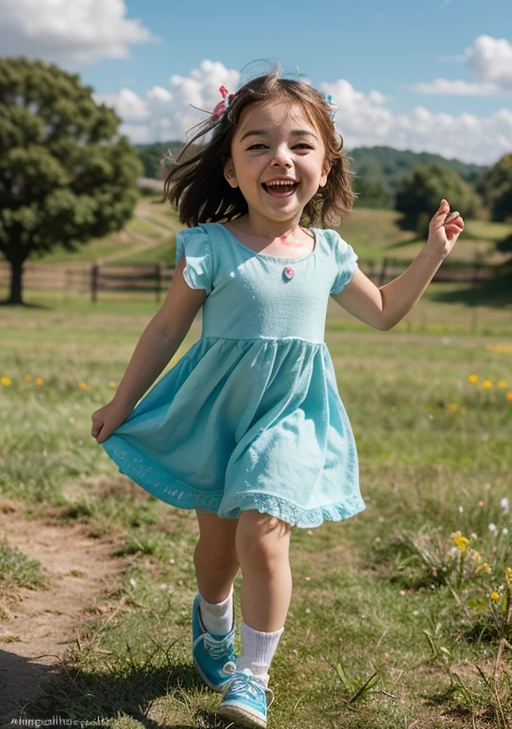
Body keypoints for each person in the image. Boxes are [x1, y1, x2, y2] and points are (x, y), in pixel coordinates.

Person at [91, 64, 464, 728]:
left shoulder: (328, 252)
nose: (279, 157)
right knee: (219, 550)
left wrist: (432, 254)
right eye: (257, 144)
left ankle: (252, 677)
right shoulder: (209, 246)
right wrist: (121, 404)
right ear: (232, 170)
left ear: (325, 164)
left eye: (299, 143)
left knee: (263, 536)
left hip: (292, 416)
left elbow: (382, 311)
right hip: (217, 415)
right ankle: (213, 618)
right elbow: (166, 328)